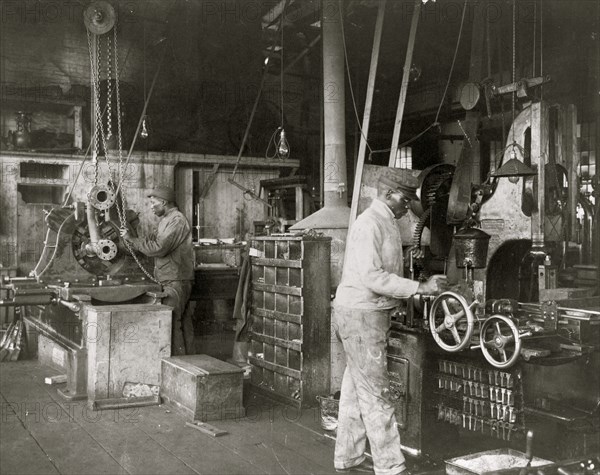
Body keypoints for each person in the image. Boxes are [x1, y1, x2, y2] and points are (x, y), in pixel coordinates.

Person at [333, 171, 448, 475]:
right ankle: (391, 467)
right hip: (361, 315)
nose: (408, 207)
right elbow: (372, 277)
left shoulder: (386, 222)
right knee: (376, 393)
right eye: (405, 199)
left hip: (364, 313)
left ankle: (348, 457)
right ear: (388, 194)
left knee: (356, 391)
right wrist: (418, 288)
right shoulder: (370, 223)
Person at [120, 185, 194, 356]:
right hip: (170, 277)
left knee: (173, 322)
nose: (151, 206)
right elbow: (152, 242)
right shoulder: (166, 220)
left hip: (175, 279)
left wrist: (132, 239)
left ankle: (178, 365)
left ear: (164, 202)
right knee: (181, 322)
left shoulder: (177, 220)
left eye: (153, 203)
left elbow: (159, 248)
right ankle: (189, 361)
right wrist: (132, 241)